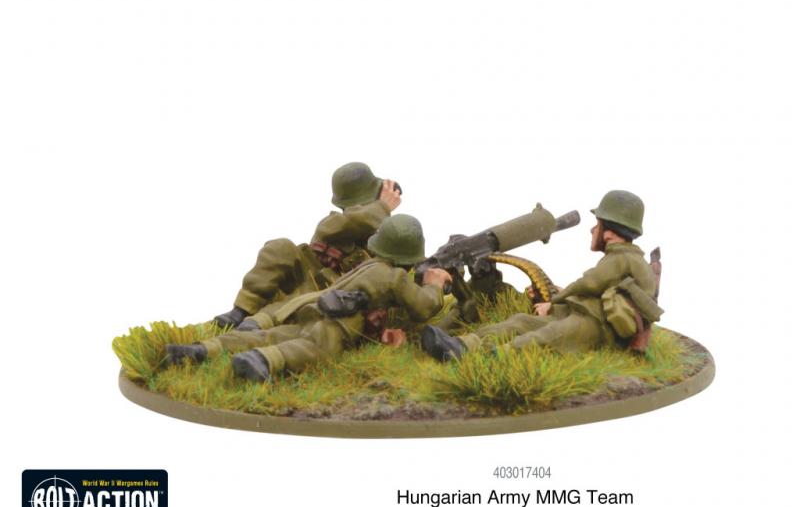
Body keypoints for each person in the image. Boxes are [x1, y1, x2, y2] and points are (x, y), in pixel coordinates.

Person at [168, 214, 452, 382]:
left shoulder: (367, 266)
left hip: (311, 309)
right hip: (337, 323)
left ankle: (203, 350)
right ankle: (262, 360)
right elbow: (423, 307)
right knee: (315, 350)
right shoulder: (395, 277)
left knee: (271, 335)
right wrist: (434, 285)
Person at [421, 190, 662, 361]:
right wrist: (559, 296)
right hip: (582, 313)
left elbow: (588, 284)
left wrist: (553, 301)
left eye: (597, 225)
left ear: (609, 233)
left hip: (598, 326)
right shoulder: (623, 259)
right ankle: (462, 345)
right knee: (519, 322)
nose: (592, 230)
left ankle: (486, 358)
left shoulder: (622, 258)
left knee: (545, 337)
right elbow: (598, 289)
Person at [212, 162, 402, 327]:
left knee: (299, 301)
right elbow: (350, 223)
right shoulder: (334, 224)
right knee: (280, 247)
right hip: (305, 275)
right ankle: (242, 309)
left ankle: (257, 324)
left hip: (334, 293)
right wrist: (382, 206)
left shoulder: (385, 235)